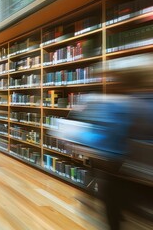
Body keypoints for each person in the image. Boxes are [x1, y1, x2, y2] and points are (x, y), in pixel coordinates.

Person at [52, 54, 153, 230]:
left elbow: (106, 143)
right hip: (146, 179)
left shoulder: (119, 106)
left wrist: (70, 133)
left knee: (112, 209)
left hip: (122, 175)